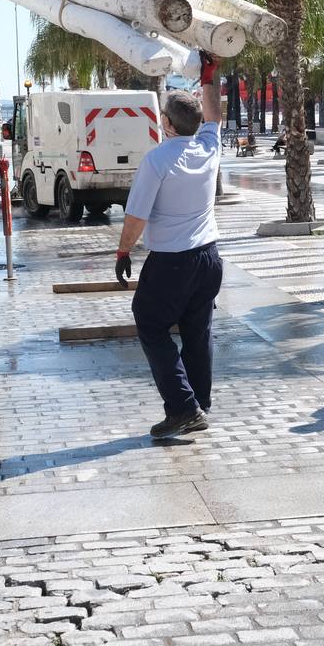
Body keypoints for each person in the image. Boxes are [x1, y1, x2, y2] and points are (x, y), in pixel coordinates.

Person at [115, 51, 224, 440]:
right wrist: (209, 76)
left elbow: (136, 216)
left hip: (173, 261)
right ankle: (198, 403)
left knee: (149, 322)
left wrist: (123, 251)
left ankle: (183, 407)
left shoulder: (158, 159)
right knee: (198, 330)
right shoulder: (209, 146)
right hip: (209, 258)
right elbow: (214, 116)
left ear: (165, 123)